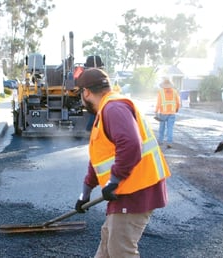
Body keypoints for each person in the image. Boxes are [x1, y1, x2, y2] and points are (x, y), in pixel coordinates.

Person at [73, 68, 171, 258]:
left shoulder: (113, 108)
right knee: (108, 246)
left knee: (120, 251)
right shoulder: (106, 110)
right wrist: (85, 194)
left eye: (80, 94)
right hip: (125, 189)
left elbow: (131, 144)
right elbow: (99, 159)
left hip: (136, 189)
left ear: (86, 92)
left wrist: (114, 180)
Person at [155, 78, 180, 148]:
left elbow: (159, 102)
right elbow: (178, 102)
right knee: (170, 128)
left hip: (163, 113)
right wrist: (177, 109)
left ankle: (160, 141)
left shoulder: (161, 92)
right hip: (172, 112)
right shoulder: (175, 92)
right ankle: (169, 142)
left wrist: (156, 111)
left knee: (161, 128)